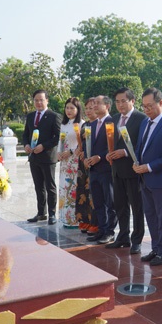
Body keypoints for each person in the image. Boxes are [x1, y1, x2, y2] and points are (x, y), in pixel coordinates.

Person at [133, 88, 162, 266]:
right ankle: (155, 248)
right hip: (144, 178)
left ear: (161, 103)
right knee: (150, 215)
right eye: (143, 106)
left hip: (160, 179)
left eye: (150, 105)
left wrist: (149, 167)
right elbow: (139, 146)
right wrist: (136, 162)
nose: (146, 109)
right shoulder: (145, 123)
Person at [105, 88, 147, 254]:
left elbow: (143, 145)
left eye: (124, 101)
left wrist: (125, 152)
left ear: (132, 101)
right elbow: (111, 142)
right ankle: (123, 236)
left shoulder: (141, 119)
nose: (120, 104)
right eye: (117, 101)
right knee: (120, 206)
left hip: (133, 170)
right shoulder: (114, 119)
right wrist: (109, 153)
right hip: (116, 170)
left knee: (137, 207)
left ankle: (137, 240)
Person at [23, 89, 61, 224]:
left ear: (47, 101)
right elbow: (25, 134)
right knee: (38, 186)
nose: (39, 102)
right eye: (36, 100)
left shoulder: (54, 116)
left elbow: (57, 137)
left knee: (50, 186)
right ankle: (41, 213)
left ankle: (52, 214)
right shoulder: (30, 116)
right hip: (34, 158)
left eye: (41, 100)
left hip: (47, 157)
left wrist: (44, 146)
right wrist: (26, 145)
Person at [84, 95, 117, 245]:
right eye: (93, 103)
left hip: (106, 168)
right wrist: (86, 157)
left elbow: (114, 146)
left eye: (98, 103)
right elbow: (87, 145)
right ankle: (101, 230)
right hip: (93, 169)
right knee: (98, 202)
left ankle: (110, 231)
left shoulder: (113, 122)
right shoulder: (90, 125)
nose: (95, 106)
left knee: (110, 202)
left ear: (107, 106)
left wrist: (101, 157)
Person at [57, 97, 82, 228]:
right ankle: (65, 218)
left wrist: (71, 152)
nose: (69, 110)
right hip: (64, 163)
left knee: (73, 188)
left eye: (72, 108)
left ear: (78, 109)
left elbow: (81, 144)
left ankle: (76, 219)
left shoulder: (82, 124)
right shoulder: (63, 124)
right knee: (64, 189)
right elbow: (59, 142)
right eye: (67, 107)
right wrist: (58, 153)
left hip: (75, 162)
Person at [75, 97, 98, 234]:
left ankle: (95, 223)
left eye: (92, 108)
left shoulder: (100, 125)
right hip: (83, 164)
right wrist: (79, 150)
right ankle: (85, 220)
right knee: (82, 192)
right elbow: (81, 144)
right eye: (87, 108)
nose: (89, 111)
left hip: (94, 163)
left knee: (93, 195)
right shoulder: (85, 125)